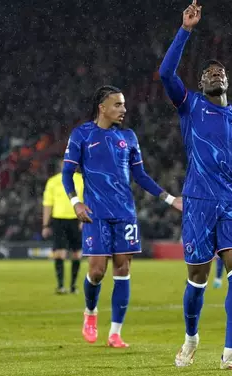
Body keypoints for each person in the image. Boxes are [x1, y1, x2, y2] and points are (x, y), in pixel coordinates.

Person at [158, 0, 232, 370]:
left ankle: (230, 354)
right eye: (209, 73)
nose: (215, 74)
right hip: (199, 200)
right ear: (201, 83)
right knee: (198, 279)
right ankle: (191, 338)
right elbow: (166, 74)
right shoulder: (189, 106)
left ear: (228, 82)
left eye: (220, 72)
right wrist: (185, 30)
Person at [62, 85, 181, 348]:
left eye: (124, 104)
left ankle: (115, 332)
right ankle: (90, 313)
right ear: (102, 107)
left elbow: (141, 176)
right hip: (95, 214)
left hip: (125, 214)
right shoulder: (82, 134)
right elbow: (67, 173)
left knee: (123, 269)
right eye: (117, 104)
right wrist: (76, 202)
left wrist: (170, 199)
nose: (124, 109)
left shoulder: (128, 137)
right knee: (96, 272)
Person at [43, 160, 84, 294]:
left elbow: (87, 200)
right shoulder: (53, 181)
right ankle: (61, 286)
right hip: (59, 220)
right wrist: (45, 224)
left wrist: (84, 219)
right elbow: (48, 204)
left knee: (77, 254)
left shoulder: (81, 180)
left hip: (76, 220)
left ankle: (72, 286)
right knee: (59, 253)